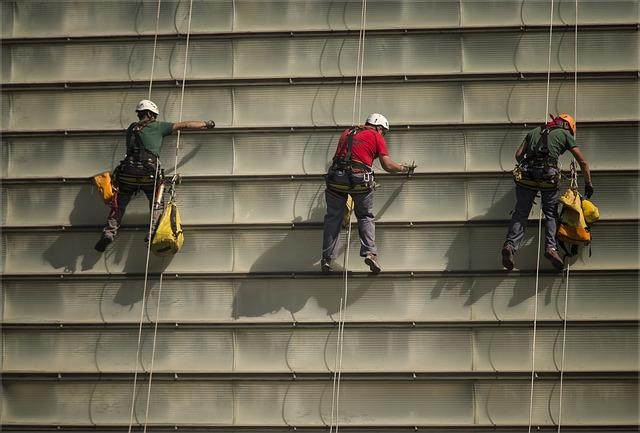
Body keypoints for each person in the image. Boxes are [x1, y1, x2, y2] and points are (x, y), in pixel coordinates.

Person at [94, 99, 215, 252]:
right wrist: (206, 123)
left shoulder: (131, 128)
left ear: (140, 114)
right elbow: (184, 125)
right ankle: (152, 234)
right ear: (151, 114)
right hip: (148, 174)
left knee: (118, 205)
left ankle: (109, 232)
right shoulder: (158, 127)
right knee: (156, 204)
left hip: (127, 173)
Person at [321, 113, 416, 273]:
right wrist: (403, 168)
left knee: (333, 218)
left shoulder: (347, 132)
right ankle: (370, 254)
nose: (383, 135)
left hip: (336, 180)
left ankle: (327, 258)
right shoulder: (375, 135)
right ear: (379, 127)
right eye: (383, 131)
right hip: (359, 180)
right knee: (365, 216)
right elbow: (387, 165)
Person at [502, 113, 593, 271]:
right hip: (547, 177)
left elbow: (518, 155)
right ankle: (551, 248)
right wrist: (588, 183)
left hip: (526, 176)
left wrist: (530, 166)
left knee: (521, 213)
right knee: (550, 213)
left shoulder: (534, 131)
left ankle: (510, 246)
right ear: (567, 126)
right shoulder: (565, 134)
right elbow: (583, 162)